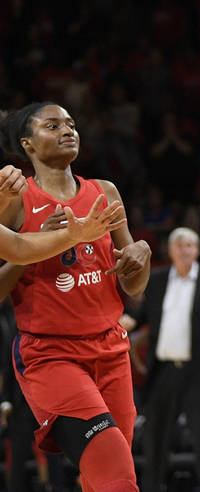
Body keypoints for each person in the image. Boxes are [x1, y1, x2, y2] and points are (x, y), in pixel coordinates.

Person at [0, 102, 147, 492]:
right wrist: (38, 245)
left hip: (112, 350)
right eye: (53, 125)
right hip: (52, 354)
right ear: (27, 144)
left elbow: (133, 287)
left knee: (103, 479)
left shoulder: (104, 190)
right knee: (117, 475)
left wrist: (141, 256)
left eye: (71, 124)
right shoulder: (16, 200)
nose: (68, 130)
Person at [132, 226, 200, 492]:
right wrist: (128, 321)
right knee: (154, 438)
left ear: (197, 250)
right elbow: (142, 315)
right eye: (179, 245)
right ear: (170, 251)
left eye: (189, 245)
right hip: (163, 373)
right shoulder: (156, 280)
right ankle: (152, 487)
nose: (184, 250)